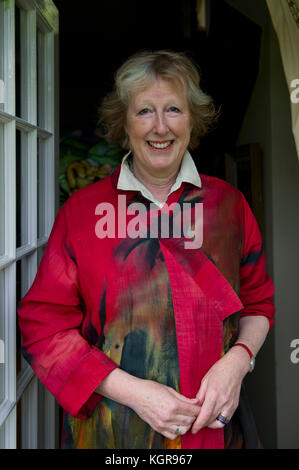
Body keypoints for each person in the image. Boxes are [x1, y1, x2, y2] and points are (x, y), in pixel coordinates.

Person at [18, 50, 275, 449]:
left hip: (216, 435)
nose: (160, 127)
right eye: (144, 112)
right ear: (124, 123)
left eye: (173, 109)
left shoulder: (229, 206)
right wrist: (137, 393)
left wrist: (239, 361)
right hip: (113, 436)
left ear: (192, 119)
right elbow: (43, 329)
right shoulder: (82, 213)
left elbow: (258, 305)